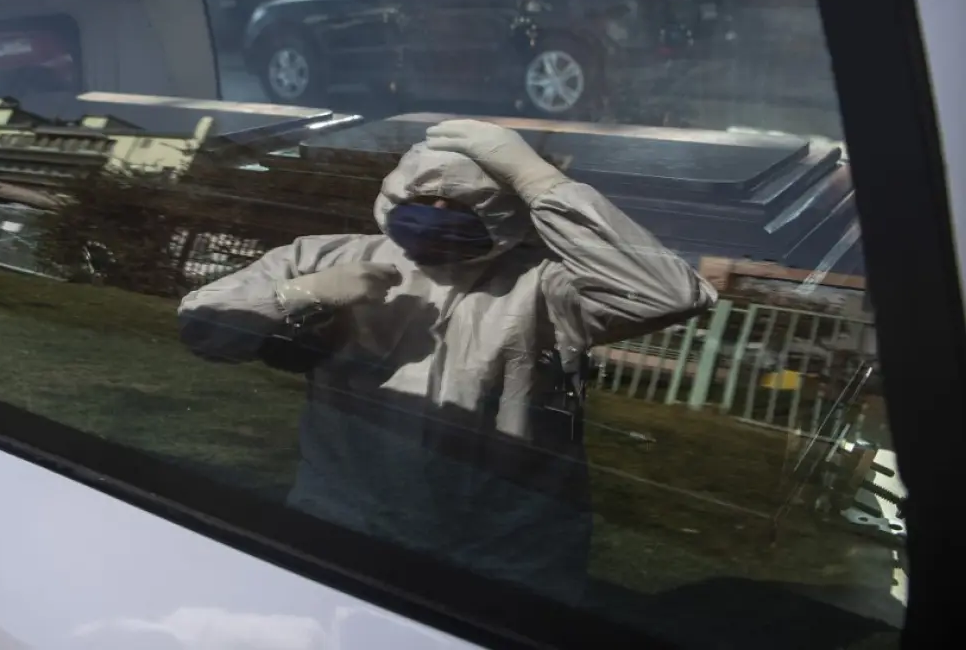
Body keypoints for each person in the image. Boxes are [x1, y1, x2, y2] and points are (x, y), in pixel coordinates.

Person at [178, 119, 716, 605]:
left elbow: (669, 294)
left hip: (503, 556)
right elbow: (204, 327)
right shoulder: (325, 256)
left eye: (462, 205)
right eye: (425, 198)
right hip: (342, 527)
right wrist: (299, 295)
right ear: (396, 190)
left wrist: (536, 177)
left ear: (506, 207)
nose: (437, 215)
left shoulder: (545, 284)